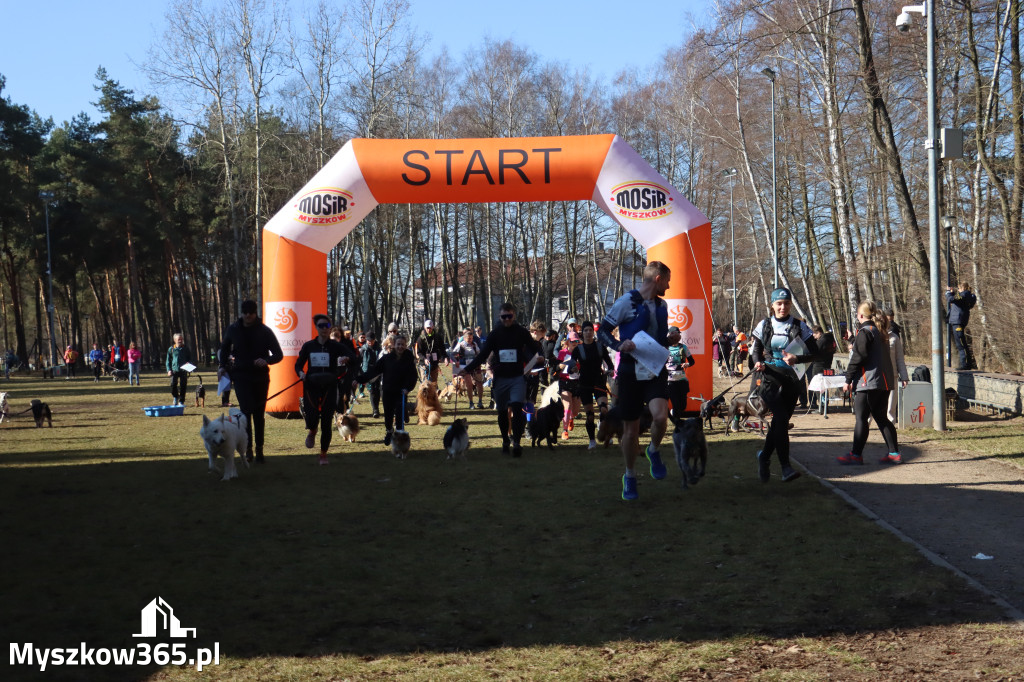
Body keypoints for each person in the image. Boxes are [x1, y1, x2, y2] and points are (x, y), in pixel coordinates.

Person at [597, 261, 678, 500]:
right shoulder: (627, 302)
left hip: (655, 369)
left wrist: (671, 339)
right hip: (631, 373)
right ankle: (630, 476)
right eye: (667, 280)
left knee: (661, 417)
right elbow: (603, 331)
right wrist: (619, 345)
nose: (669, 285)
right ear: (658, 279)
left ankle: (653, 450)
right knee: (630, 431)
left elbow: (658, 339)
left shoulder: (662, 305)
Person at [749, 287, 819, 483]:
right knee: (779, 417)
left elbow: (814, 353)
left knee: (779, 423)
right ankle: (786, 467)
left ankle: (764, 456)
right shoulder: (764, 324)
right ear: (772, 305)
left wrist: (797, 358)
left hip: (792, 378)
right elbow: (756, 350)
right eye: (779, 304)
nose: (783, 307)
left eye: (786, 303)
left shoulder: (800, 326)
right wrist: (757, 362)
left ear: (790, 305)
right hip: (769, 376)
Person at [457, 302, 543, 457]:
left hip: (517, 377)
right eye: (504, 316)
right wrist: (466, 370)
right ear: (500, 316)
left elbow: (535, 349)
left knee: (517, 409)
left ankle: (516, 443)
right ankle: (505, 440)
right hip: (500, 379)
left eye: (509, 316)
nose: (507, 319)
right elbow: (483, 356)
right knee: (502, 413)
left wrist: (533, 364)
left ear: (514, 315)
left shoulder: (521, 332)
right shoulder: (495, 334)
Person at [837, 301, 903, 465]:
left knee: (861, 418)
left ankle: (856, 454)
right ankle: (894, 453)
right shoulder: (880, 332)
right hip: (884, 382)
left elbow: (858, 357)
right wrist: (853, 338)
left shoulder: (865, 332)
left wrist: (848, 379)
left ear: (860, 315)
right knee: (881, 417)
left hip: (869, 383)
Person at [219, 300, 285, 463]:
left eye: (251, 312)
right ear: (241, 313)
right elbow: (224, 348)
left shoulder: (265, 331)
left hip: (260, 377)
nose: (248, 315)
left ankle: (260, 449)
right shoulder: (233, 329)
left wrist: (266, 360)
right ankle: (248, 449)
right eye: (245, 312)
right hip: (241, 376)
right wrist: (222, 366)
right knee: (246, 413)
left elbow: (278, 354)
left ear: (255, 313)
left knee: (259, 415)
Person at [295, 314, 351, 465]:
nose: (324, 329)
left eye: (327, 326)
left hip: (330, 386)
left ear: (330, 327)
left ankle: (323, 454)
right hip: (311, 385)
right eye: (321, 326)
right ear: (316, 327)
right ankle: (312, 430)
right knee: (312, 417)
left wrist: (346, 359)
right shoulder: (309, 346)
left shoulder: (336, 346)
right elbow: (298, 364)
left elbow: (351, 355)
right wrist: (301, 373)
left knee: (326, 422)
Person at [356, 333, 418, 445]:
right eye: (398, 344)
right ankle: (389, 431)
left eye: (403, 345)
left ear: (405, 345)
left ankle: (398, 439)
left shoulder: (408, 358)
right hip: (388, 391)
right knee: (388, 416)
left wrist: (408, 388)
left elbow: (413, 376)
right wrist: (359, 379)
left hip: (401, 392)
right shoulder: (387, 358)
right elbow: (374, 371)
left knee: (399, 416)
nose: (400, 347)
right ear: (394, 345)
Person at [572, 321, 614, 449]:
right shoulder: (578, 349)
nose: (588, 332)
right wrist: (572, 369)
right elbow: (571, 365)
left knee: (604, 410)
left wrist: (611, 370)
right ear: (582, 333)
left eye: (590, 330)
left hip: (598, 381)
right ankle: (592, 441)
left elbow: (609, 363)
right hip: (584, 384)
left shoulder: (600, 347)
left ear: (593, 332)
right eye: (586, 330)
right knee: (590, 415)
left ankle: (606, 433)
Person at [666, 326, 695, 427]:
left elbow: (692, 361)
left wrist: (687, 364)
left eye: (678, 334)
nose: (677, 336)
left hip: (682, 379)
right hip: (670, 380)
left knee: (683, 406)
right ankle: (677, 424)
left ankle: (675, 413)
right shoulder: (665, 347)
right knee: (676, 404)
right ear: (670, 335)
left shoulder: (683, 347)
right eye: (674, 334)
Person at [556, 332, 582, 440]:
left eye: (576, 341)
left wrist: (578, 369)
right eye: (572, 341)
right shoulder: (562, 353)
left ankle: (571, 418)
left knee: (575, 411)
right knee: (567, 406)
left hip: (577, 382)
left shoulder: (581, 353)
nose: (574, 343)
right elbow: (556, 369)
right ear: (568, 342)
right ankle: (564, 430)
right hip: (564, 382)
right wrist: (562, 365)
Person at [946, 281, 978, 370]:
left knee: (960, 343)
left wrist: (948, 293)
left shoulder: (963, 295)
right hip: (960, 320)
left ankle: (965, 364)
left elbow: (951, 299)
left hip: (958, 321)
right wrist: (952, 293)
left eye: (959, 289)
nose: (958, 291)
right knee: (961, 342)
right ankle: (967, 363)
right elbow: (956, 299)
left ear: (962, 288)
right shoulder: (969, 296)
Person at [451, 327, 485, 409]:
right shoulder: (461, 345)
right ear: (464, 338)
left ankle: (480, 402)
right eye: (468, 338)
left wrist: (480, 361)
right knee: (469, 384)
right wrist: (456, 361)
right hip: (465, 367)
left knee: (479, 383)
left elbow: (479, 353)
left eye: (471, 338)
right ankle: (471, 403)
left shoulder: (474, 344)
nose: (470, 340)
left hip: (475, 366)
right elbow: (452, 355)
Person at [886, 316, 910, 424]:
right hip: (876, 377)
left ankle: (891, 427)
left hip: (892, 375)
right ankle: (866, 426)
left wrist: (904, 377)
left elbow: (900, 359)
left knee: (891, 406)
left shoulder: (894, 338)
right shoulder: (872, 337)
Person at [806, 325, 836, 410]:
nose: (814, 337)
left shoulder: (822, 341)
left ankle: (822, 407)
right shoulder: (830, 340)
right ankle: (824, 405)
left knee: (818, 386)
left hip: (819, 365)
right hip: (827, 365)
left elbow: (814, 351)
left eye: (814, 335)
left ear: (819, 333)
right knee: (824, 386)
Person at [165, 333, 193, 406]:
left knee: (183, 386)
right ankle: (175, 396)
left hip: (183, 370)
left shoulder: (186, 348)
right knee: (173, 385)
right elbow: (168, 361)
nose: (180, 341)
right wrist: (169, 370)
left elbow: (189, 358)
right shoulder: (171, 349)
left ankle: (181, 401)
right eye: (178, 339)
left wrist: (189, 364)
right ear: (175, 340)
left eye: (181, 339)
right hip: (174, 370)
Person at [359, 331, 382, 418]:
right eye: (368, 340)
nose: (369, 342)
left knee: (377, 391)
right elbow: (359, 362)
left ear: (374, 340)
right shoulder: (363, 349)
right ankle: (375, 410)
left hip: (377, 373)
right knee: (372, 391)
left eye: (371, 340)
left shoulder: (379, 349)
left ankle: (376, 408)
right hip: (367, 373)